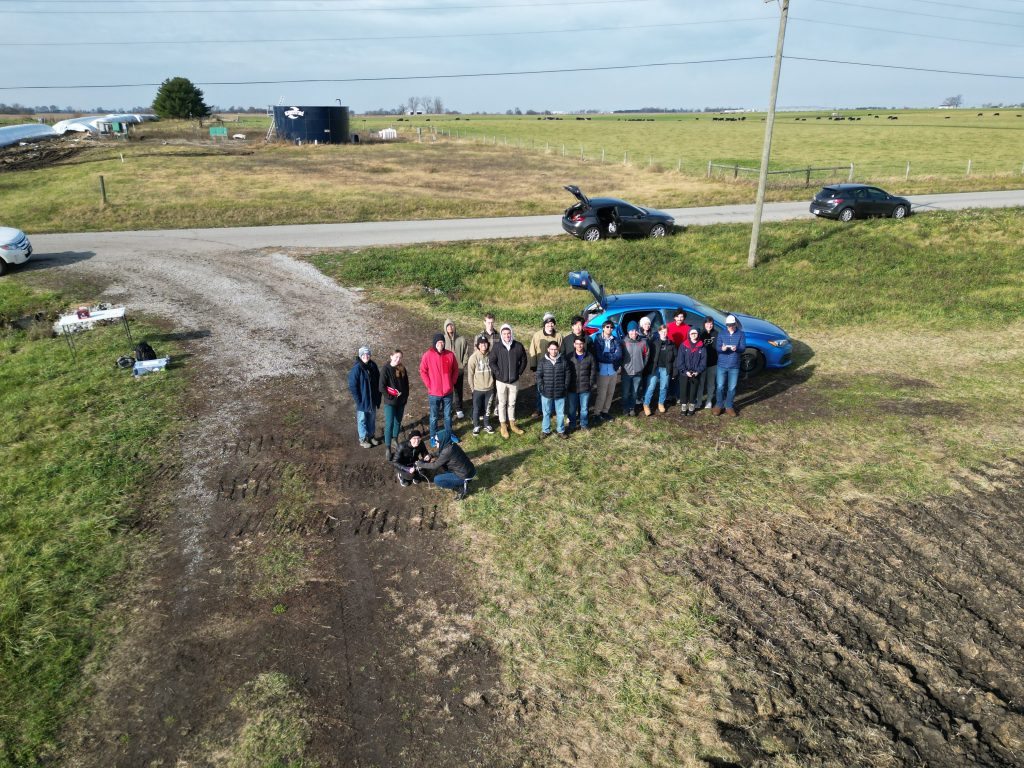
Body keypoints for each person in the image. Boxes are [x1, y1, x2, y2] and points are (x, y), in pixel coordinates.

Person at [489, 323, 528, 439]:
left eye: (508, 333)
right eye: (504, 334)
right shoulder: (497, 347)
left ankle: (512, 424)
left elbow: (524, 360)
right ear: (501, 334)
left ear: (511, 333)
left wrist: (519, 372)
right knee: (502, 403)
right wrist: (498, 373)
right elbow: (492, 362)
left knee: (512, 403)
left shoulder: (518, 346)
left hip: (514, 381)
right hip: (501, 381)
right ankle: (503, 426)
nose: (506, 335)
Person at [419, 333, 459, 442]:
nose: (440, 344)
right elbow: (423, 370)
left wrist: (452, 382)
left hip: (447, 392)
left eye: (442, 342)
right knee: (434, 417)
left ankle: (449, 434)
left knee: (448, 416)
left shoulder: (450, 355)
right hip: (434, 393)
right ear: (434, 343)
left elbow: (456, 369)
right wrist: (429, 384)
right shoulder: (428, 355)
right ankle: (433, 436)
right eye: (438, 342)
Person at [416, 429, 476, 500]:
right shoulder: (451, 445)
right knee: (443, 466)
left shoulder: (447, 451)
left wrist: (421, 464)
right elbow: (441, 453)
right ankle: (461, 483)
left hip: (464, 476)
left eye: (437, 441)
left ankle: (461, 489)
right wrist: (431, 455)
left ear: (443, 440)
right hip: (469, 470)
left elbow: (434, 466)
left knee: (437, 480)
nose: (435, 443)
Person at [528, 313, 563, 416]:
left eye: (552, 323)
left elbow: (561, 351)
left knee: (553, 388)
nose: (550, 325)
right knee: (540, 388)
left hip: (554, 367)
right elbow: (532, 350)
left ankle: (552, 409)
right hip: (541, 367)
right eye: (548, 323)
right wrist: (533, 365)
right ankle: (539, 409)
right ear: (544, 324)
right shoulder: (537, 335)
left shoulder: (558, 336)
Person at [536, 340, 572, 439]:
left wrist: (565, 386)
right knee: (546, 412)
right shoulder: (543, 361)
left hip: (560, 392)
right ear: (548, 349)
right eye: (551, 349)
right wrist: (541, 387)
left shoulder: (563, 361)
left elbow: (568, 375)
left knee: (560, 413)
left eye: (555, 349)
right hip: (546, 392)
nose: (553, 351)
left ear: (558, 349)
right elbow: (538, 375)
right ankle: (545, 430)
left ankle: (560, 430)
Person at [347, 345, 381, 448]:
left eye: (368, 354)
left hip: (373, 400)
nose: (366, 356)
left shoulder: (373, 366)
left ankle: (371, 436)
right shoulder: (357, 369)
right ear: (360, 355)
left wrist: (378, 396)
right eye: (364, 354)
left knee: (371, 419)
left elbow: (378, 381)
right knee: (362, 420)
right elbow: (353, 386)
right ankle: (362, 439)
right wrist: (359, 400)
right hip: (363, 401)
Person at [379, 349, 410, 460]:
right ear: (391, 356)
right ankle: (388, 447)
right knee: (389, 423)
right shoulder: (385, 369)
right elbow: (381, 387)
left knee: (398, 421)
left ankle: (395, 439)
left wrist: (405, 397)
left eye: (400, 358)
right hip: (390, 403)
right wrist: (391, 397)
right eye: (396, 357)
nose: (398, 359)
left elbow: (406, 385)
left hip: (401, 402)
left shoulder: (402, 368)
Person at [713, 314, 746, 417]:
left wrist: (737, 349)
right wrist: (721, 349)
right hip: (722, 364)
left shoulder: (741, 334)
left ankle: (729, 406)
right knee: (720, 386)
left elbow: (743, 348)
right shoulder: (722, 333)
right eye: (728, 325)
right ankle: (719, 405)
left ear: (735, 324)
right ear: (726, 325)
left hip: (734, 365)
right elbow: (717, 347)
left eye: (732, 325)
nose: (730, 327)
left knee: (732, 387)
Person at [591, 320, 622, 421]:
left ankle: (605, 411)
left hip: (613, 370)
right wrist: (612, 356)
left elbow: (619, 355)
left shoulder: (615, 340)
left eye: (611, 327)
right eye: (607, 327)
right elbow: (599, 356)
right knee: (602, 394)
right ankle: (596, 413)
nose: (610, 329)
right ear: (603, 328)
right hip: (602, 371)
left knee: (610, 393)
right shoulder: (598, 339)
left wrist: (607, 356)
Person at [643, 323, 677, 415]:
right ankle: (646, 404)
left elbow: (675, 359)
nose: (664, 333)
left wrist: (674, 372)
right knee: (651, 386)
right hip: (654, 368)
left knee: (664, 387)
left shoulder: (671, 344)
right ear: (659, 332)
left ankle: (661, 403)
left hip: (666, 369)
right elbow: (648, 357)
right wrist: (647, 369)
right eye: (662, 332)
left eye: (665, 332)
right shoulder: (654, 343)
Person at [465, 335, 495, 435]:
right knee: (476, 409)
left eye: (485, 343)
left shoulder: (491, 356)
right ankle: (476, 426)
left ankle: (486, 424)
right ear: (478, 345)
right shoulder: (473, 358)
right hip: (478, 389)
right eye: (481, 343)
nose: (483, 345)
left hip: (489, 388)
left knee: (488, 408)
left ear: (488, 344)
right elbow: (470, 375)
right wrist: (473, 389)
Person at [567, 336, 598, 431]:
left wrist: (590, 383)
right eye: (577, 343)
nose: (579, 345)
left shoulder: (590, 356)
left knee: (584, 408)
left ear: (583, 344)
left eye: (581, 343)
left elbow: (593, 371)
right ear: (574, 344)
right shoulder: (569, 357)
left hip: (585, 388)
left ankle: (584, 424)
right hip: (572, 388)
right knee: (572, 409)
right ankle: (572, 425)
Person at [443, 319, 471, 419]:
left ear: (454, 326)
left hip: (458, 370)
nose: (450, 327)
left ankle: (459, 408)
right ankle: (448, 408)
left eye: (451, 325)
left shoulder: (461, 339)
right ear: (445, 328)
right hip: (446, 371)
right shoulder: (443, 340)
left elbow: (466, 353)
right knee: (447, 390)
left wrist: (462, 365)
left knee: (458, 390)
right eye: (448, 326)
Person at [676, 327, 707, 416]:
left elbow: (703, 361)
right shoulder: (683, 345)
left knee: (693, 390)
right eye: (692, 333)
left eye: (695, 333)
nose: (694, 335)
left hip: (696, 373)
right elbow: (680, 360)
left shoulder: (701, 346)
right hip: (684, 373)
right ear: (689, 335)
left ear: (698, 334)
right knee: (683, 390)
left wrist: (698, 371)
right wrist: (685, 371)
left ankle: (692, 406)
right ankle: (684, 406)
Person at [621, 321, 649, 416]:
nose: (634, 332)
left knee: (634, 392)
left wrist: (642, 366)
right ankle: (625, 408)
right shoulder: (624, 342)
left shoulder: (643, 342)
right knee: (625, 393)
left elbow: (646, 355)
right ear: (628, 331)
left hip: (638, 372)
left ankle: (632, 407)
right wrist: (623, 366)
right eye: (631, 330)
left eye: (636, 330)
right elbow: (620, 356)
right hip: (626, 372)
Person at [665, 308, 691, 405]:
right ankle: (670, 395)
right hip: (670, 355)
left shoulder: (687, 328)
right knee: (671, 375)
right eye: (678, 316)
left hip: (681, 354)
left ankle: (679, 395)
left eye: (682, 317)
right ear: (674, 317)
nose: (680, 319)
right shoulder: (669, 326)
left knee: (681, 376)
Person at [480, 312, 501, 418]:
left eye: (492, 322)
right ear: (484, 322)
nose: (490, 325)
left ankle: (497, 407)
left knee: (497, 387)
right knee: (487, 388)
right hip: (485, 366)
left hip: (497, 366)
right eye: (488, 322)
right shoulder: (480, 336)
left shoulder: (498, 335)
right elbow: (477, 352)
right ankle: (485, 409)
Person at [698, 316, 719, 409]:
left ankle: (709, 401)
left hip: (713, 363)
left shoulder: (717, 334)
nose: (709, 325)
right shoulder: (701, 334)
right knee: (700, 383)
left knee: (711, 383)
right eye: (707, 323)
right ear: (704, 324)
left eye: (711, 323)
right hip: (702, 364)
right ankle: (698, 401)